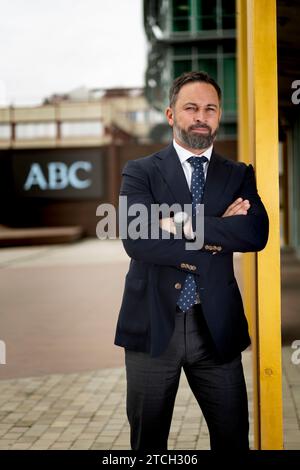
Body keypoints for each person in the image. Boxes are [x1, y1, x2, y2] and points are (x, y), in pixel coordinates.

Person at [114, 71, 269, 451]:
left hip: (216, 328)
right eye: (191, 107)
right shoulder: (141, 171)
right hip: (152, 325)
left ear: (219, 115)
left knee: (233, 439)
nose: (201, 116)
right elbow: (138, 241)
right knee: (147, 444)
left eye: (210, 109)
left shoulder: (238, 174)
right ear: (170, 114)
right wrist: (217, 236)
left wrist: (180, 223)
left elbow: (254, 234)